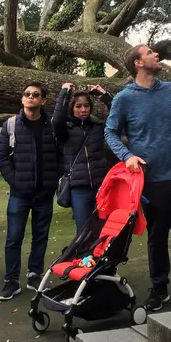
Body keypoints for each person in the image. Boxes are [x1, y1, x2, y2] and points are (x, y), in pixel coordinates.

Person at [105, 45, 171, 311]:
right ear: (138, 63)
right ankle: (159, 288)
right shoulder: (124, 98)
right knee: (157, 236)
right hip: (150, 182)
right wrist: (127, 156)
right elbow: (110, 133)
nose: (157, 55)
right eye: (150, 52)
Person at [0, 82, 63, 301]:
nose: (31, 97)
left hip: (44, 192)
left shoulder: (52, 125)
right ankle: (11, 280)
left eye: (35, 95)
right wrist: (14, 180)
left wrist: (54, 178)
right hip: (19, 193)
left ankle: (35, 274)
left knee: (40, 236)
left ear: (43, 100)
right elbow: (3, 156)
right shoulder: (11, 125)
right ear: (22, 99)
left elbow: (61, 154)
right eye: (27, 94)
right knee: (14, 238)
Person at [52, 82, 114, 234]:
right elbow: (57, 120)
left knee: (105, 229)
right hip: (79, 188)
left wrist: (104, 95)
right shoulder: (65, 129)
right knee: (84, 231)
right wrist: (64, 92)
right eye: (78, 106)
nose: (83, 109)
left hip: (101, 186)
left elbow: (117, 115)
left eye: (86, 106)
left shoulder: (97, 127)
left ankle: (102, 257)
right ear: (72, 108)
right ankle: (85, 258)